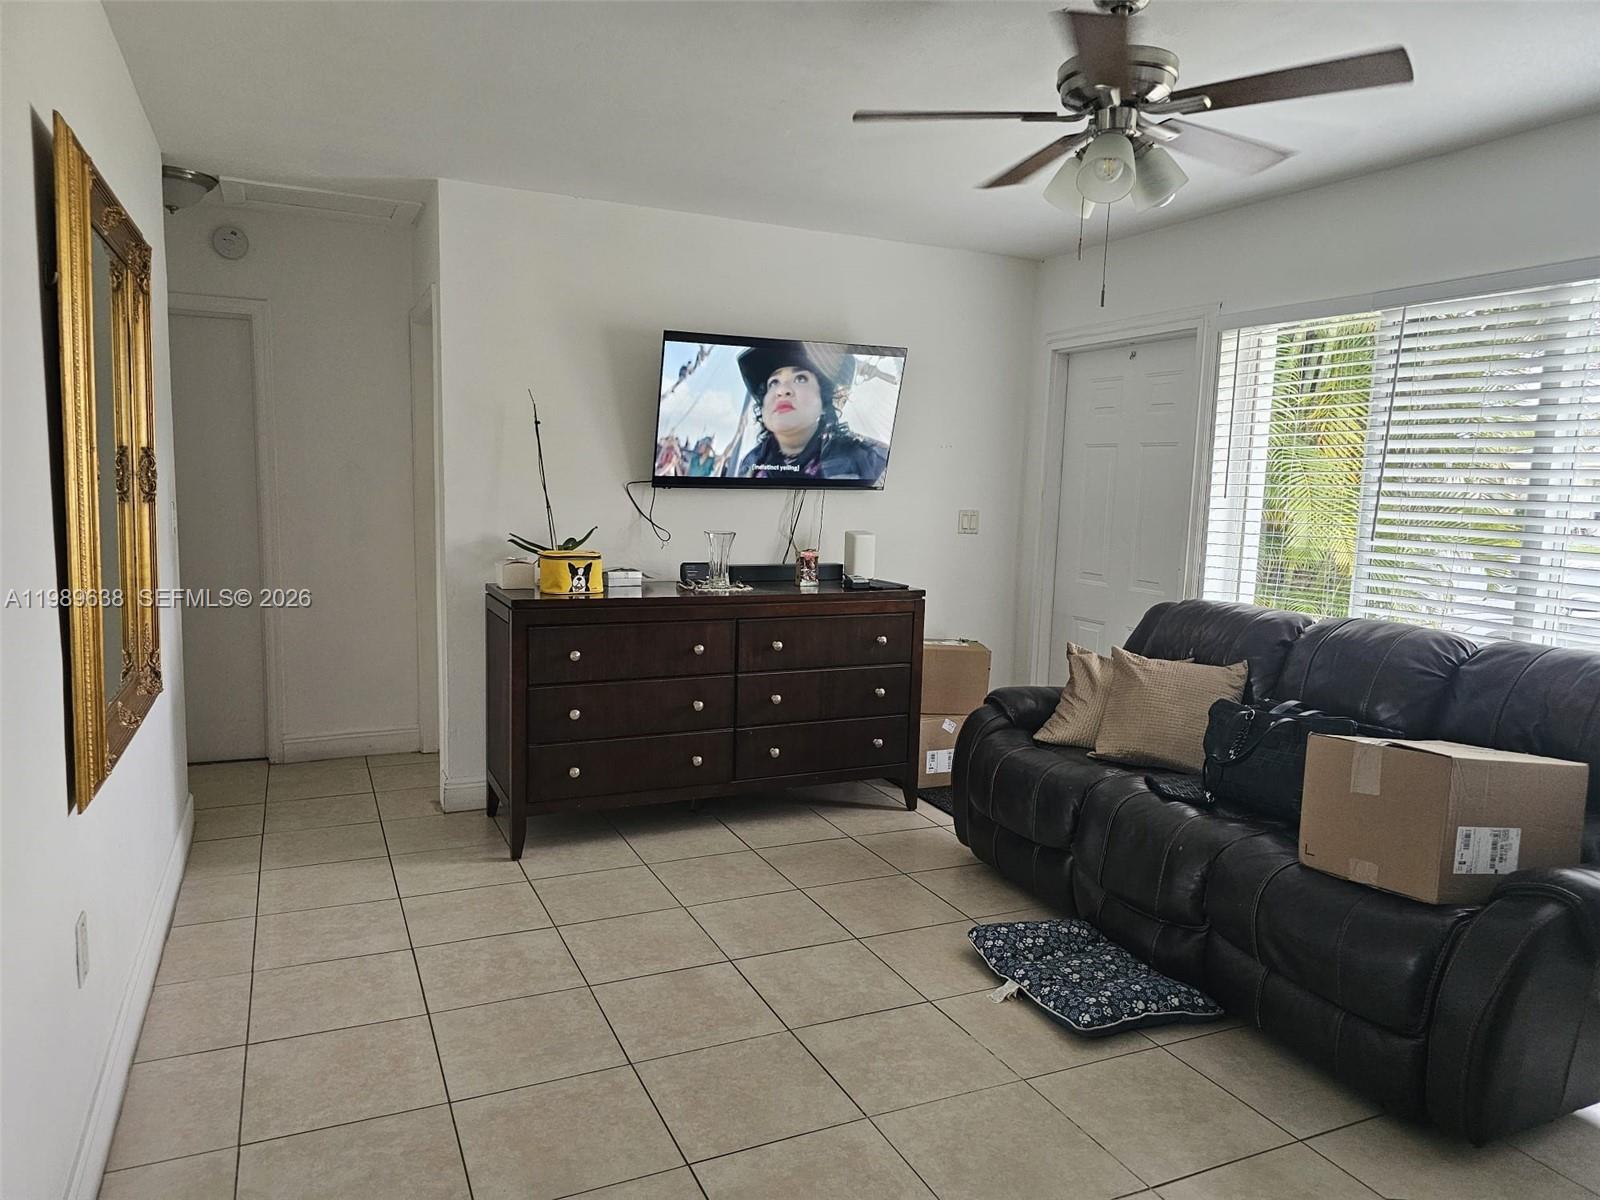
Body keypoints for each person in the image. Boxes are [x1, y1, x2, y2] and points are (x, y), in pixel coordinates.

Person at [734, 341, 889, 482]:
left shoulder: (871, 461)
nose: (782, 390)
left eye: (800, 379)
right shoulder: (751, 463)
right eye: (774, 382)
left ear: (824, 400)